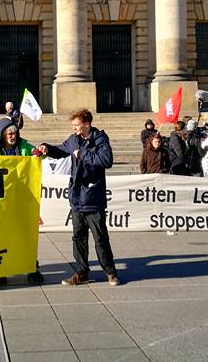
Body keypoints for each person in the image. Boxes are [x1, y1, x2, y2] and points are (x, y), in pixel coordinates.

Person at [38, 109, 120, 287]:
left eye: (76, 125)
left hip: (93, 196)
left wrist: (83, 154)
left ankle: (111, 272)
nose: (74, 128)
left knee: (100, 237)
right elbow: (61, 150)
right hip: (76, 198)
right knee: (78, 237)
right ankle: (81, 272)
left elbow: (107, 160)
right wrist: (47, 148)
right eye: (73, 125)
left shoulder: (99, 139)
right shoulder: (73, 139)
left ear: (87, 124)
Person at [0, 118, 45, 285]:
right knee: (2, 236)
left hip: (23, 198)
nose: (12, 136)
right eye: (9, 134)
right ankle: (1, 269)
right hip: (2, 200)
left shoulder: (24, 146)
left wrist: (38, 153)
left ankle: (31, 268)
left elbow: (36, 154)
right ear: (3, 135)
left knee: (26, 234)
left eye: (14, 133)